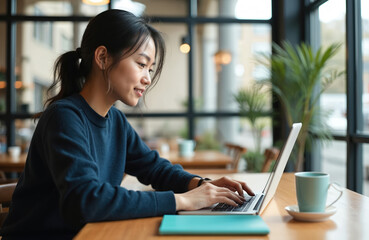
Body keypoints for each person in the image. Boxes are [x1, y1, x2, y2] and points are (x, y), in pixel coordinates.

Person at [0, 9, 254, 239]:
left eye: (150, 69)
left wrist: (201, 185)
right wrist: (183, 201)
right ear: (103, 57)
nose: (147, 79)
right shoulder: (64, 117)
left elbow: (155, 168)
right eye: (142, 64)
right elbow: (86, 201)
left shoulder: (116, 121)